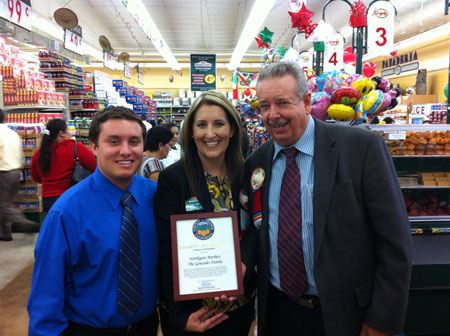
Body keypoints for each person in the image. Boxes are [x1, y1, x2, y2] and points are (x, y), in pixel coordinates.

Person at [240, 62, 412, 336]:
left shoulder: (361, 148)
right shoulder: (257, 163)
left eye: (282, 103)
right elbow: (256, 230)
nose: (273, 115)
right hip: (280, 313)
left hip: (348, 316)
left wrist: (383, 319)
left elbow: (395, 242)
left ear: (307, 102)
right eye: (264, 106)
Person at [28, 106, 160, 336]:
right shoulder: (66, 212)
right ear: (94, 147)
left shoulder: (156, 196)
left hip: (146, 326)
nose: (126, 151)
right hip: (89, 329)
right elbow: (46, 293)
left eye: (134, 142)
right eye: (114, 141)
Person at [155, 91, 256, 335]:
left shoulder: (248, 174)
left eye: (218, 124)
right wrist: (179, 316)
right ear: (191, 132)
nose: (210, 134)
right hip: (193, 313)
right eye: (201, 125)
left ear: (232, 129)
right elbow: (167, 249)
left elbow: (257, 227)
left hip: (238, 308)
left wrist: (244, 260)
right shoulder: (173, 179)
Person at [30, 119, 97, 212]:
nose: (71, 132)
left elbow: (36, 177)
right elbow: (95, 167)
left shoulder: (39, 153)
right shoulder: (76, 148)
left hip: (47, 200)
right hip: (70, 197)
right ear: (61, 133)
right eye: (69, 130)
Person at [0, 110, 38, 241]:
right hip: (16, 171)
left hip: (3, 172)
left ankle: (25, 224)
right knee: (6, 203)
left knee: (4, 205)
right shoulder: (12, 133)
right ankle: (5, 233)